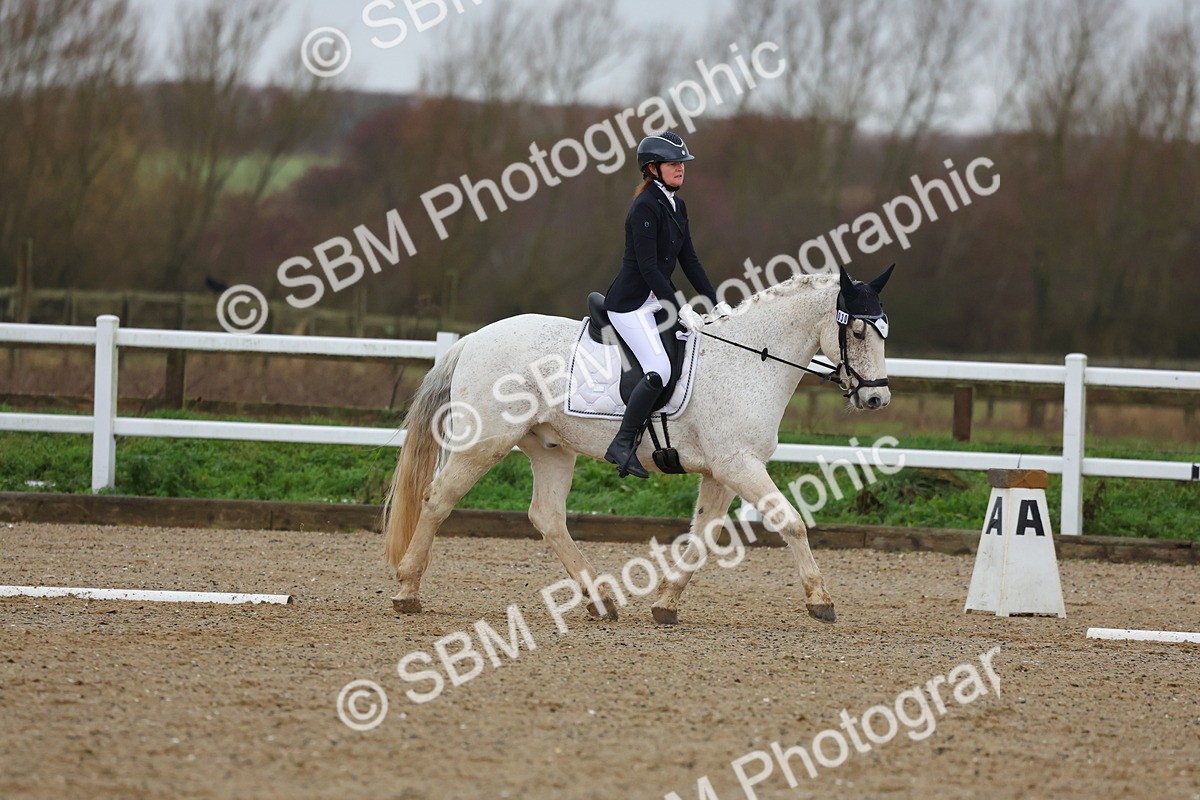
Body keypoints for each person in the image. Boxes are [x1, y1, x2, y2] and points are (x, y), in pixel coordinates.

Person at [602, 131, 731, 478]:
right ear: (652, 168)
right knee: (659, 369)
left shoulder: (677, 205)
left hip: (655, 300)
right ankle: (623, 443)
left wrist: (716, 303)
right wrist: (679, 306)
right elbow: (648, 268)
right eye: (673, 164)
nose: (680, 169)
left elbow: (690, 260)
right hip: (630, 304)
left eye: (682, 164)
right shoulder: (644, 207)